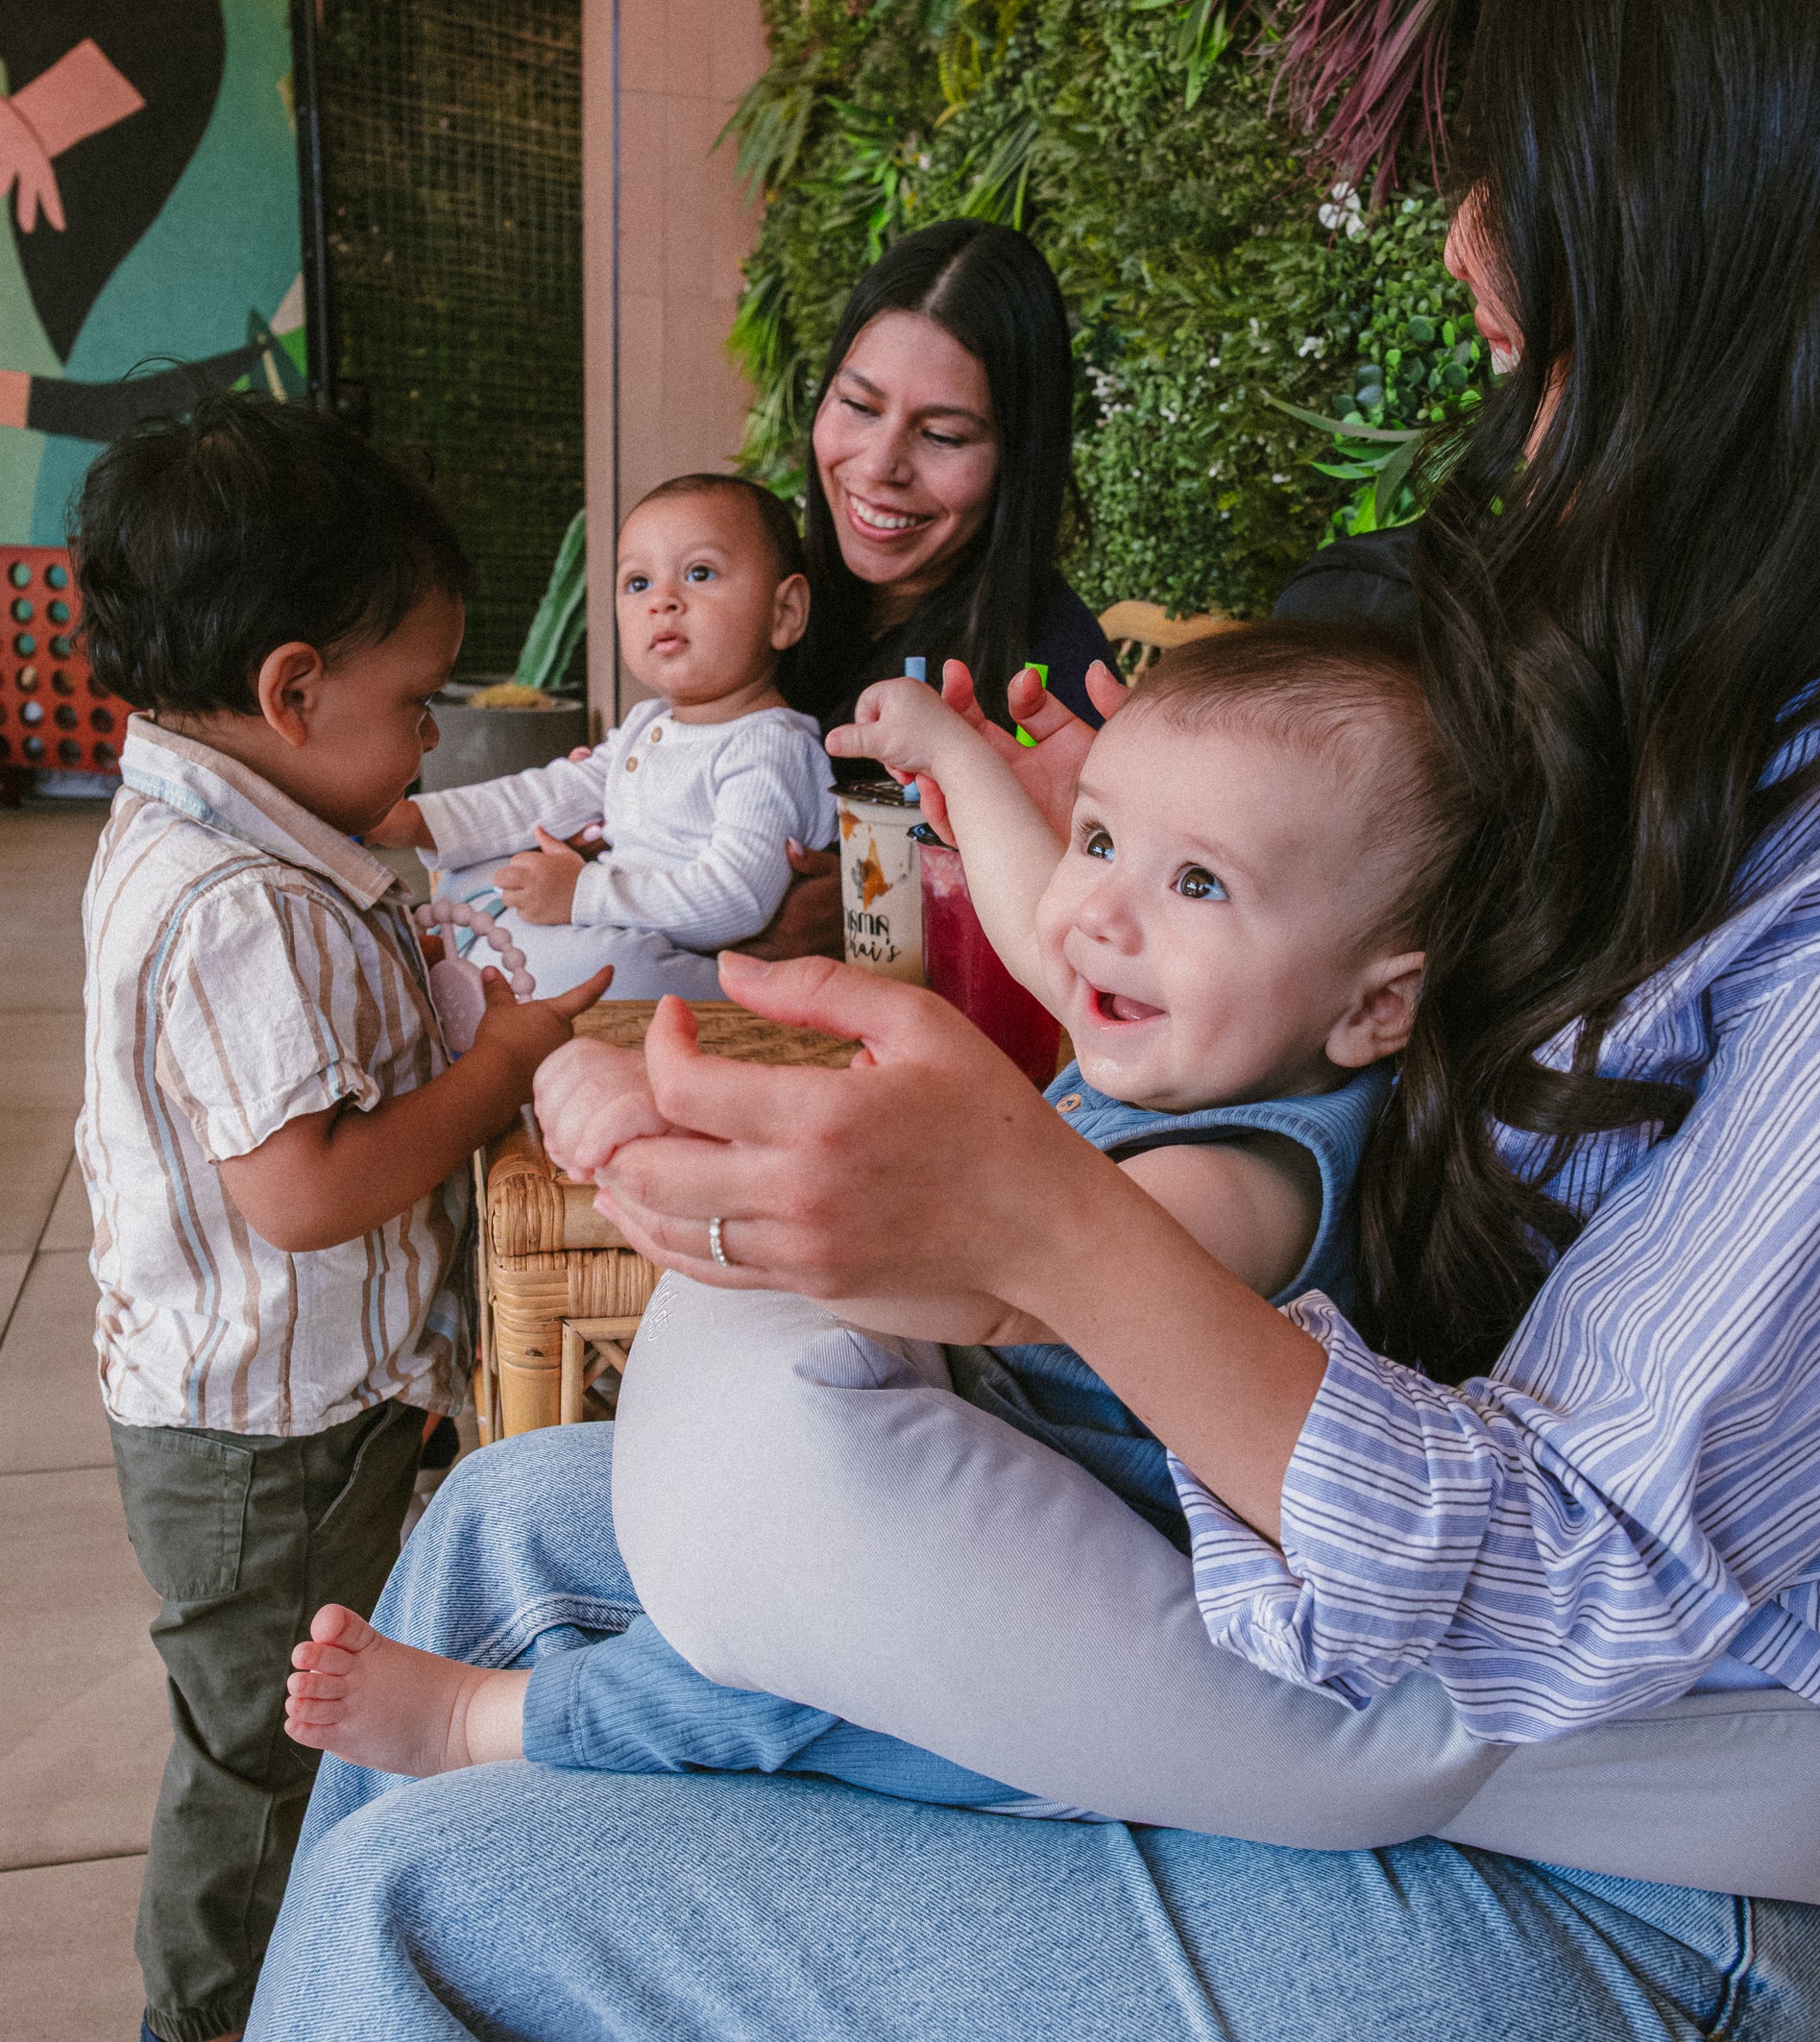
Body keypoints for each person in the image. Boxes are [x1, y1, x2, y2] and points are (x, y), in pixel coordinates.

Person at [157, 1, 1820, 2042]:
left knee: (421, 1922)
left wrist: (1036, 1232)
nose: (1469, 242)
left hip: (1619, 1891)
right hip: (1356, 1618)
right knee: (495, 1526)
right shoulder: (1686, 675)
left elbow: (1568, 1580)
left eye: (1529, 177)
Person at [283, 620, 1461, 1770]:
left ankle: (488, 1722)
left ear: (1373, 1005)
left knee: (783, 1664)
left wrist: (676, 1139)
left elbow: (987, 1266)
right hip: (983, 1462)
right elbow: (1036, 911)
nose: (1100, 913)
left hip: (1080, 1604)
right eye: (1099, 838)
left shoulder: (1250, 1173)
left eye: (1199, 881)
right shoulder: (1201, 1034)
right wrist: (954, 756)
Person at [71, 392, 611, 2042]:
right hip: (263, 1431)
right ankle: (212, 2029)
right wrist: (499, 1068)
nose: (433, 741)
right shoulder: (240, 905)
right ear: (293, 689)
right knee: (262, 1725)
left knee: (300, 1679)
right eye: (418, 703)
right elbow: (306, 1193)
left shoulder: (254, 837)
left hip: (290, 1400)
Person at [740, 216, 1116, 962]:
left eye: (942, 436)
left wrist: (895, 900)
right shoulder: (766, 598)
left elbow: (1097, 916)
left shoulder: (1047, 682)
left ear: (1017, 458)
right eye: (859, 406)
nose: (880, 466)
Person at [368, 475, 835, 1003]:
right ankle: (494, 961)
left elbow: (736, 898)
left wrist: (581, 893)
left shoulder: (771, 747)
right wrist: (424, 821)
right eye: (638, 583)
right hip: (620, 916)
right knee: (472, 869)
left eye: (699, 573)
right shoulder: (648, 725)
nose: (662, 600)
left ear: (784, 612)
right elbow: (551, 794)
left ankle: (488, 965)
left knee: (614, 967)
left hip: (695, 957)